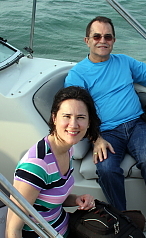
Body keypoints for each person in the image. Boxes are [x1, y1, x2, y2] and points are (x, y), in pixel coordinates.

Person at [64, 16, 146, 238]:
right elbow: (76, 113)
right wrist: (96, 138)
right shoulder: (78, 75)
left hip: (136, 125)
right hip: (106, 133)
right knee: (106, 169)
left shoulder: (124, 62)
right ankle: (123, 221)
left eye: (108, 36)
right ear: (87, 41)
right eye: (97, 36)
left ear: (113, 40)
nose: (103, 40)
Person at [6, 86, 101, 238]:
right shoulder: (36, 166)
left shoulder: (68, 149)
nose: (74, 124)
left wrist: (76, 199)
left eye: (81, 117)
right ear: (54, 118)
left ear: (89, 122)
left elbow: (49, 200)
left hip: (66, 227)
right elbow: (12, 230)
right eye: (67, 116)